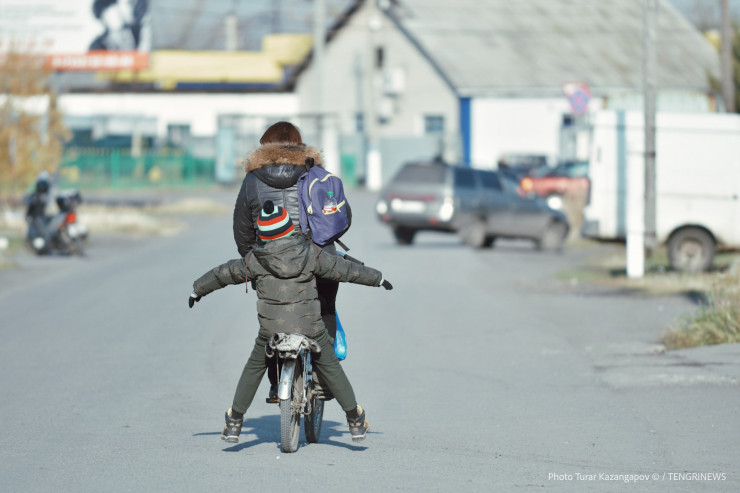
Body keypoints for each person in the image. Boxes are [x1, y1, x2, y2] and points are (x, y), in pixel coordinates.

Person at [188, 201, 393, 443]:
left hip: (271, 330)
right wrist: (378, 279)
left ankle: (234, 423)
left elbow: (223, 273)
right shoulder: (310, 253)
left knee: (254, 367)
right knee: (330, 366)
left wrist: (197, 290)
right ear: (288, 227)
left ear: (263, 234)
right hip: (310, 327)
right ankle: (355, 420)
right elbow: (344, 269)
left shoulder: (255, 258)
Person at [232, 121, 350, 402]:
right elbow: (342, 218)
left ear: (265, 145)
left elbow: (242, 230)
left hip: (271, 263)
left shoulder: (252, 181)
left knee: (274, 320)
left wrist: (254, 263)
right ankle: (323, 379)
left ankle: (276, 384)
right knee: (324, 309)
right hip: (319, 258)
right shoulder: (317, 175)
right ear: (299, 144)